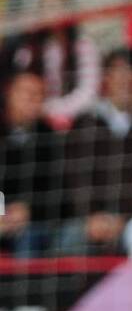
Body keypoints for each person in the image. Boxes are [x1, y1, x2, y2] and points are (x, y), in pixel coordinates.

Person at [61, 50, 132, 256]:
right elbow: (75, 177)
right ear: (107, 79)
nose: (125, 81)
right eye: (118, 74)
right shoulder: (85, 123)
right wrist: (91, 216)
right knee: (70, 241)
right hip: (90, 219)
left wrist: (129, 217)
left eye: (130, 75)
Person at [0, 70, 67, 256]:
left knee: (30, 237)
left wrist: (28, 211)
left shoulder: (51, 138)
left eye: (38, 94)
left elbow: (59, 191)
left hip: (35, 222)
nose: (32, 98)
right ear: (9, 94)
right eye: (25, 92)